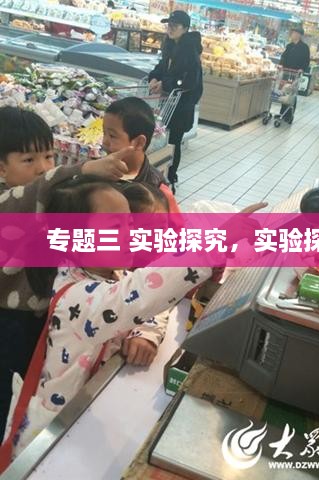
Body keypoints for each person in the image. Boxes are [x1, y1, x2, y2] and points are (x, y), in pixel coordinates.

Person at [3, 175, 213, 458]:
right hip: (53, 434)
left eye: (130, 224)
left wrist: (145, 332)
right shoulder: (77, 297)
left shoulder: (110, 273)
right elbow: (139, 295)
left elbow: (147, 301)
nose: (131, 235)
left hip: (90, 412)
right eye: (116, 227)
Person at [0, 107, 130, 440]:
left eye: (48, 156)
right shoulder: (10, 203)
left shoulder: (44, 201)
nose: (44, 167)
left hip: (41, 317)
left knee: (28, 388)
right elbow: (32, 193)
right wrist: (82, 168)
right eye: (29, 160)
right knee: (8, 392)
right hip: (9, 323)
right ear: (1, 168)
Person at [148, 11, 203, 193]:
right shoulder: (170, 45)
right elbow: (161, 68)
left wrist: (166, 84)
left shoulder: (190, 50)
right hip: (168, 102)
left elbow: (190, 81)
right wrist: (154, 77)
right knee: (161, 139)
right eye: (169, 25)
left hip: (182, 105)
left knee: (173, 141)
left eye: (175, 26)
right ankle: (159, 175)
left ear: (185, 28)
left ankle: (171, 177)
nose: (170, 29)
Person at [102, 97, 180, 213]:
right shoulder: (99, 172)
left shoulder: (156, 187)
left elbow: (172, 222)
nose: (104, 141)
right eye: (104, 133)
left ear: (139, 143)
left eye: (112, 136)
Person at [279, 26, 310, 122]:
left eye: (293, 33)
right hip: (286, 72)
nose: (291, 35)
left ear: (298, 35)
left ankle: (289, 115)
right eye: (292, 33)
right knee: (284, 91)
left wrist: (302, 69)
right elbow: (283, 57)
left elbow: (306, 61)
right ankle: (282, 113)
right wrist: (281, 65)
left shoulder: (304, 48)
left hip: (296, 74)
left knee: (292, 93)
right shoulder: (289, 46)